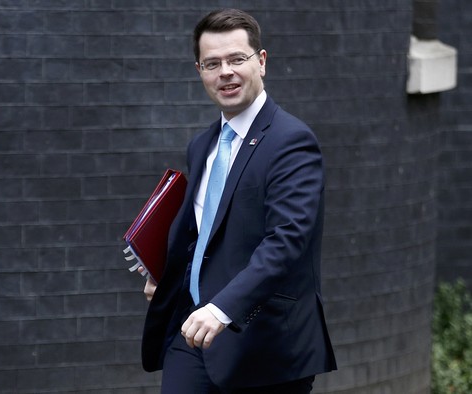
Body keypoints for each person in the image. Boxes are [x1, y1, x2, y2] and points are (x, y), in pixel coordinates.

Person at [139, 8, 337, 393]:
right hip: (194, 333)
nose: (225, 72)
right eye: (212, 63)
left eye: (236, 59)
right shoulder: (202, 146)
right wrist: (166, 276)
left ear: (261, 62)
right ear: (200, 71)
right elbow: (204, 234)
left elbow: (287, 242)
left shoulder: (291, 142)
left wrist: (222, 307)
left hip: (265, 347)